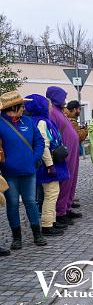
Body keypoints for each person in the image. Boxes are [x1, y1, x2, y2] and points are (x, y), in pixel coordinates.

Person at [0, 91, 47, 249]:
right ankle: (16, 237)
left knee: (30, 202)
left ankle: (37, 234)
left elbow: (39, 141)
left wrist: (34, 158)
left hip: (29, 171)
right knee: (12, 204)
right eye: (22, 106)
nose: (24, 108)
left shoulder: (27, 121)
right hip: (9, 174)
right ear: (14, 107)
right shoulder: (0, 124)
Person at [25, 94, 69, 236]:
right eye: (47, 105)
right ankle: (47, 225)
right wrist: (50, 165)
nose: (50, 107)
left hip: (49, 163)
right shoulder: (42, 122)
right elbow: (44, 145)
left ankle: (52, 221)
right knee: (51, 194)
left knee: (52, 193)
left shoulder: (40, 120)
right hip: (47, 165)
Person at [46, 87, 83, 223]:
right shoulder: (52, 113)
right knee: (65, 182)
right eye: (63, 98)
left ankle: (67, 207)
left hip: (71, 151)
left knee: (71, 180)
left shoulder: (60, 111)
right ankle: (60, 212)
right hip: (64, 152)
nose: (65, 101)